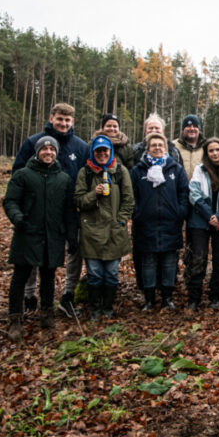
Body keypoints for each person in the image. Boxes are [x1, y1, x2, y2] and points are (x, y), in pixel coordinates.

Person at [12, 102, 88, 317]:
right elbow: (18, 173)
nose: (63, 124)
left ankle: (67, 296)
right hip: (37, 210)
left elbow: (86, 175)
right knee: (33, 253)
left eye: (67, 120)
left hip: (70, 210)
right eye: (59, 119)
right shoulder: (33, 142)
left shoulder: (81, 147)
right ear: (51, 118)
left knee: (74, 251)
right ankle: (29, 296)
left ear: (73, 121)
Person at [3, 136, 75, 339]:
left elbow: (69, 210)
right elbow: (10, 201)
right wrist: (18, 218)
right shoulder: (23, 175)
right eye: (44, 149)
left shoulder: (63, 179)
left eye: (52, 150)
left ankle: (47, 313)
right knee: (20, 277)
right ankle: (15, 319)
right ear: (37, 152)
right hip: (27, 233)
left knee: (48, 276)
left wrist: (71, 235)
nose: (48, 153)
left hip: (53, 234)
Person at [73, 135, 134, 320]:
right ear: (93, 152)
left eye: (105, 151)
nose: (102, 154)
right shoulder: (86, 172)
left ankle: (107, 307)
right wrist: (94, 194)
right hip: (91, 231)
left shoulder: (120, 171)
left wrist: (121, 220)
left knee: (111, 274)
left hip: (114, 230)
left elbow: (128, 200)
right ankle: (95, 308)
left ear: (110, 151)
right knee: (95, 274)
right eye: (98, 151)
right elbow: (78, 200)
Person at [130, 133, 189, 310]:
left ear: (165, 148)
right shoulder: (138, 170)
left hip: (171, 224)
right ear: (147, 148)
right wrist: (138, 214)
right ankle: (149, 300)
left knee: (169, 263)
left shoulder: (175, 169)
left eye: (160, 145)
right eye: (153, 145)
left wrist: (180, 212)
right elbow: (131, 196)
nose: (157, 148)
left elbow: (184, 193)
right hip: (145, 225)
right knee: (148, 263)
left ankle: (167, 298)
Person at [186, 137, 219, 311]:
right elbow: (194, 194)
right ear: (207, 154)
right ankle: (194, 297)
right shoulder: (199, 170)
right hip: (200, 220)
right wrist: (210, 216)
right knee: (198, 257)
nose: (215, 153)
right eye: (211, 151)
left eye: (218, 150)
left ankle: (215, 294)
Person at [173, 114, 205, 180]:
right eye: (188, 126)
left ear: (199, 129)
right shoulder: (173, 146)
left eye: (195, 126)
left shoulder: (207, 146)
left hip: (200, 188)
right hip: (179, 188)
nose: (192, 129)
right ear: (183, 129)